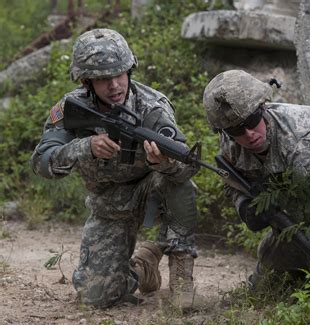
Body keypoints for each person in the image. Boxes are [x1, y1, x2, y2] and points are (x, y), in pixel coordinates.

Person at [30, 28, 198, 309]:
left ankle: (181, 279)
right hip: (107, 206)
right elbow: (41, 162)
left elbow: (185, 171)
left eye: (120, 74)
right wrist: (84, 147)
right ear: (86, 81)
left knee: (178, 184)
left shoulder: (152, 107)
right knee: (95, 298)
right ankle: (143, 265)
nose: (115, 85)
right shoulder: (71, 108)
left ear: (130, 70)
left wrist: (164, 163)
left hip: (150, 195)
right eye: (103, 79)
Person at [203, 69, 310, 287]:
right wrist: (247, 207)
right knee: (262, 287)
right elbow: (232, 182)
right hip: (296, 222)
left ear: (263, 108)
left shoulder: (307, 144)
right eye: (236, 129)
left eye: (252, 120)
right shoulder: (232, 143)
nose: (248, 134)